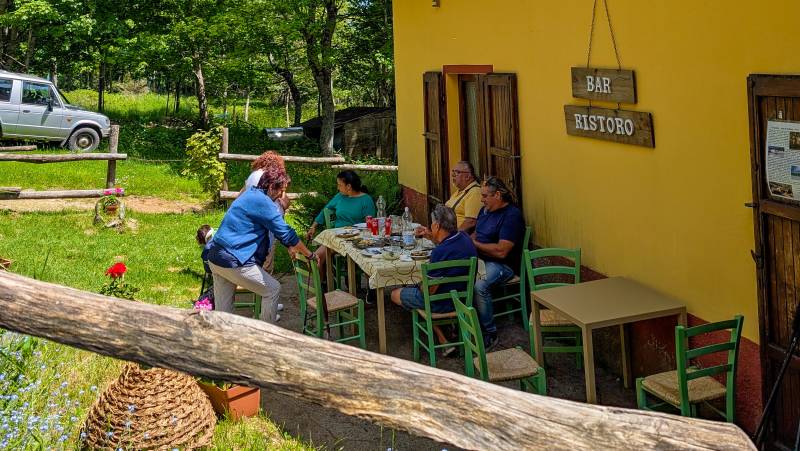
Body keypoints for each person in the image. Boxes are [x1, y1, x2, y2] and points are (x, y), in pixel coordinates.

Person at [208, 153, 315, 323]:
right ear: (271, 186)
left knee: (224, 313)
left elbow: (279, 232)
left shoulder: (250, 194)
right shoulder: (263, 202)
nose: (281, 195)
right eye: (281, 190)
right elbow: (287, 233)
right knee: (272, 289)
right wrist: (309, 255)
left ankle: (223, 341)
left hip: (215, 256)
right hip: (232, 259)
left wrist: (289, 245)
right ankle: (266, 336)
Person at [390, 204, 477, 356]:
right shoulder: (465, 238)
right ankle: (443, 337)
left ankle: (442, 338)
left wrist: (420, 285)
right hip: (462, 298)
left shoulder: (439, 252)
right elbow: (447, 243)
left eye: (432, 224)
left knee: (395, 294)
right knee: (417, 285)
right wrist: (430, 235)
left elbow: (428, 292)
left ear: (436, 225)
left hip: (442, 303)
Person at [471, 177, 525, 349]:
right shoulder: (484, 211)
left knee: (480, 286)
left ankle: (489, 332)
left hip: (502, 265)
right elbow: (475, 235)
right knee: (452, 272)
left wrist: (475, 245)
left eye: (486, 196)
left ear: (498, 195)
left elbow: (502, 251)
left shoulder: (512, 216)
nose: (482, 200)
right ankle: (461, 323)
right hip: (479, 259)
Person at [305, 170, 376, 276]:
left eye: (339, 185)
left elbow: (370, 224)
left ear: (348, 186)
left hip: (357, 241)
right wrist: (313, 226)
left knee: (368, 260)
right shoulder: (340, 196)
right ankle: (324, 287)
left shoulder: (366, 200)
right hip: (336, 239)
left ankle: (369, 290)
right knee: (315, 259)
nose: (338, 188)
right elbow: (326, 209)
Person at [241, 152, 291, 274]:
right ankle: (265, 285)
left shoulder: (253, 175)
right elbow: (282, 200)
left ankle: (254, 282)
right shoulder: (270, 177)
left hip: (252, 219)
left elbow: (242, 193)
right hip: (269, 218)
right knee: (267, 257)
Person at [415, 161, 481, 240]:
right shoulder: (460, 191)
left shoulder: (475, 192)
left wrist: (451, 239)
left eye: (457, 172)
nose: (453, 175)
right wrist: (431, 234)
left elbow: (471, 222)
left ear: (468, 176)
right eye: (453, 171)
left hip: (456, 240)